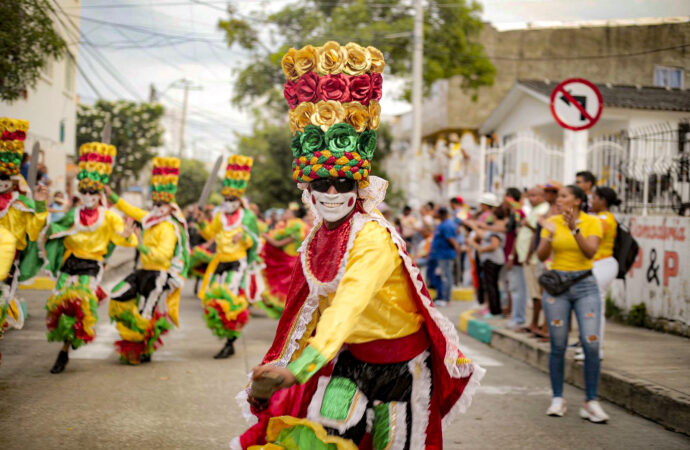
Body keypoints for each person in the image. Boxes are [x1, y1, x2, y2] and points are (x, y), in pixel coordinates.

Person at [234, 41, 483, 449]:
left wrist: (302, 367)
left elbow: (348, 304)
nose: (332, 192)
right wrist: (287, 364)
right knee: (322, 435)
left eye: (343, 183)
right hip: (349, 362)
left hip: (400, 368)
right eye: (321, 183)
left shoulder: (372, 236)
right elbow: (308, 308)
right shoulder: (318, 236)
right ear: (307, 189)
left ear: (359, 185)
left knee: (392, 443)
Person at [43, 141, 138, 374]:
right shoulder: (73, 214)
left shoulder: (109, 217)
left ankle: (64, 351)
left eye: (92, 192)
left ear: (99, 194)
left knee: (81, 304)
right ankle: (65, 343)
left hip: (91, 266)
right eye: (83, 191)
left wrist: (126, 235)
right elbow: (51, 231)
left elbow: (127, 239)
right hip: (70, 262)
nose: (87, 196)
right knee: (60, 304)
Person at [105, 157, 190, 365]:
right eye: (156, 202)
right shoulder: (150, 220)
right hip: (143, 270)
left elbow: (163, 255)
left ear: (169, 205)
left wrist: (141, 245)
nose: (157, 206)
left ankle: (142, 349)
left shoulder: (168, 227)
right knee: (118, 294)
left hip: (158, 274)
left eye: (161, 203)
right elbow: (132, 210)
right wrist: (113, 196)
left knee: (146, 311)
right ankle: (137, 343)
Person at [537, 185, 609, 423]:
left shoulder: (592, 222)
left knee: (591, 343)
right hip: (557, 287)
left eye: (564, 196)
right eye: (558, 197)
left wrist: (573, 229)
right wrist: (548, 233)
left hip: (585, 286)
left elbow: (590, 252)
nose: (559, 200)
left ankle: (590, 401)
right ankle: (558, 398)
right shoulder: (552, 221)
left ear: (577, 201)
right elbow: (540, 255)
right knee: (557, 344)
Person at [196, 155, 260, 359]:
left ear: (239, 199)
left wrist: (245, 237)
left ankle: (230, 342)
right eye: (226, 199)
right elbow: (210, 234)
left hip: (237, 262)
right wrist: (200, 223)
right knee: (214, 298)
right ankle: (227, 336)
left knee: (230, 300)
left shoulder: (247, 216)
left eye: (232, 199)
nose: (228, 203)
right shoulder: (219, 216)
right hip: (220, 261)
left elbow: (256, 241)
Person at [0, 118, 49, 334]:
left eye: (5, 177)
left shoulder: (22, 204)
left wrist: (39, 204)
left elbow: (34, 230)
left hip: (7, 266)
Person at [575, 186, 621, 361]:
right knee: (589, 309)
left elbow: (587, 236)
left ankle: (595, 348)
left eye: (594, 198)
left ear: (603, 200)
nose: (591, 201)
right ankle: (588, 345)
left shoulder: (604, 220)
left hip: (602, 265)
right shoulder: (598, 218)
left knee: (595, 309)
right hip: (598, 265)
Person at [260, 203, 308, 318]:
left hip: (289, 263)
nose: (284, 214)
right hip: (287, 260)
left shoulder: (296, 226)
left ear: (293, 215)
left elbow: (278, 244)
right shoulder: (287, 225)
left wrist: (265, 236)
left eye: (287, 212)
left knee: (285, 291)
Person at [515, 186, 550, 331]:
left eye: (535, 195)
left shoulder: (543, 210)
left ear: (543, 196)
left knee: (537, 293)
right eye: (529, 195)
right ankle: (535, 323)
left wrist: (529, 254)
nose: (531, 198)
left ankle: (536, 324)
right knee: (534, 292)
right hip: (529, 257)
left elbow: (536, 233)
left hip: (534, 258)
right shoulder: (535, 210)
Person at [467, 205, 507, 316]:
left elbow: (494, 244)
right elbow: (484, 236)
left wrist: (480, 248)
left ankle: (494, 310)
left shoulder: (496, 228)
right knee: (491, 285)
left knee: (491, 285)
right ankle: (492, 308)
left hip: (492, 260)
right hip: (491, 259)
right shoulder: (495, 227)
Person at [503, 187, 527, 327]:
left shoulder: (518, 213)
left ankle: (519, 318)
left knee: (518, 288)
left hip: (515, 257)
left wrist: (512, 256)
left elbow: (518, 235)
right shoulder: (514, 212)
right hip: (510, 255)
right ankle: (516, 315)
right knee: (513, 287)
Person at [429, 207, 460, 306]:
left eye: (437, 213)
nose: (435, 215)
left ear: (442, 214)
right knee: (442, 276)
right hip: (440, 255)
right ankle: (442, 297)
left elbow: (451, 240)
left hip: (445, 255)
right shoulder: (442, 224)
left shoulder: (447, 225)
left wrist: (457, 249)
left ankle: (446, 299)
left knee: (446, 276)